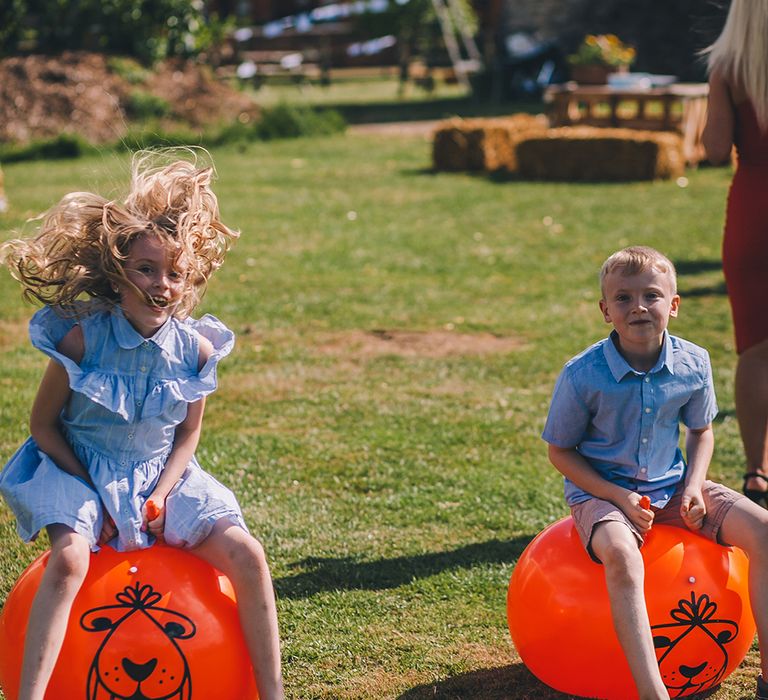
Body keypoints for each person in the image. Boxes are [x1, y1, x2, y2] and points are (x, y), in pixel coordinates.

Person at [0, 151, 284, 700]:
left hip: (161, 474)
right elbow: (43, 426)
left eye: (175, 274)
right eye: (147, 270)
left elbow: (188, 435)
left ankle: (273, 694)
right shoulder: (82, 340)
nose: (163, 284)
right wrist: (91, 491)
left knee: (248, 555)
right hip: (77, 468)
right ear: (119, 272)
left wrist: (164, 489)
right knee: (70, 559)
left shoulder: (195, 349)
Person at [542, 246, 768, 700]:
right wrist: (617, 497)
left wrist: (694, 486)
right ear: (606, 311)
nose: (639, 307)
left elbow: (701, 432)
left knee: (763, 531)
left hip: (673, 489)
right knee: (624, 556)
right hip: (602, 498)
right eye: (623, 298)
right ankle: (653, 694)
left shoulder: (693, 363)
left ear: (674, 305)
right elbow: (560, 452)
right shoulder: (582, 375)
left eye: (651, 295)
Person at [701, 0, 768, 505]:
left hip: (752, 212)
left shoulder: (727, 64)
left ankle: (756, 471)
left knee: (754, 350)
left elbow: (716, 149)